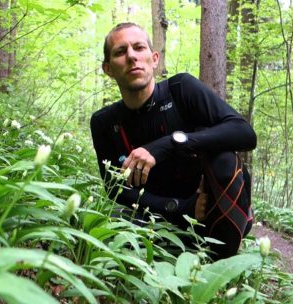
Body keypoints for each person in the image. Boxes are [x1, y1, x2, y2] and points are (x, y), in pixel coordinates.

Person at [90, 22, 256, 259]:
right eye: (120, 51)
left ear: (154, 58)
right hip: (159, 217)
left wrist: (168, 144)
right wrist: (181, 208)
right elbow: (115, 189)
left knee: (224, 159)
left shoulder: (181, 90)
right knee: (107, 220)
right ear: (108, 68)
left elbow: (244, 133)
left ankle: (221, 262)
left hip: (212, 209)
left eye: (139, 48)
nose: (131, 57)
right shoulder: (104, 122)